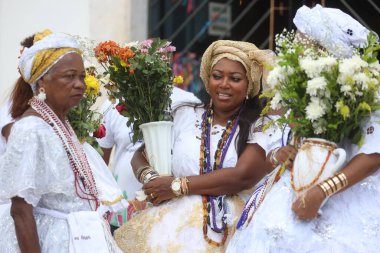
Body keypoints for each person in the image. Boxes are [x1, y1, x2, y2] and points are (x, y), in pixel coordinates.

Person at [226, 5, 380, 253]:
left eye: (303, 41)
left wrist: (323, 190)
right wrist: (281, 155)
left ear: (323, 50)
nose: (295, 47)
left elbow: (374, 156)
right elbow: (284, 150)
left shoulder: (366, 90)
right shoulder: (301, 92)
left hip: (347, 195)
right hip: (294, 192)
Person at [114, 40, 276, 252]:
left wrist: (175, 186)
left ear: (249, 85)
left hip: (235, 231)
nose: (224, 84)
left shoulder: (262, 125)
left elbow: (242, 176)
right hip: (172, 227)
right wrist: (152, 180)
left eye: (235, 79)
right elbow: (143, 153)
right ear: (207, 80)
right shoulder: (185, 114)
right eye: (217, 76)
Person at [0, 29, 126, 253]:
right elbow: (20, 210)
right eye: (69, 76)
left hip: (80, 239)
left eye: (81, 76)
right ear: (42, 83)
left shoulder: (59, 124)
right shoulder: (30, 129)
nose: (80, 84)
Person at [98, 86, 202, 229]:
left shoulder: (187, 103)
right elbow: (98, 164)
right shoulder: (112, 105)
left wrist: (172, 187)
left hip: (170, 219)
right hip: (120, 217)